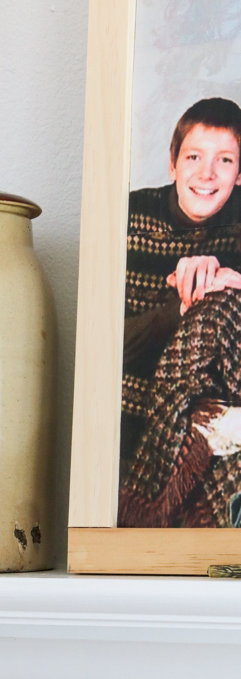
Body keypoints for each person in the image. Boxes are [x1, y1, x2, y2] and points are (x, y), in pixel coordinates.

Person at [118, 97, 241, 527]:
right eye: (194, 156)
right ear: (172, 164)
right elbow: (103, 345)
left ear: (240, 173)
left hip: (217, 406)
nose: (207, 174)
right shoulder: (127, 217)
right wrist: (182, 306)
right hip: (133, 419)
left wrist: (231, 281)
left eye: (224, 159)